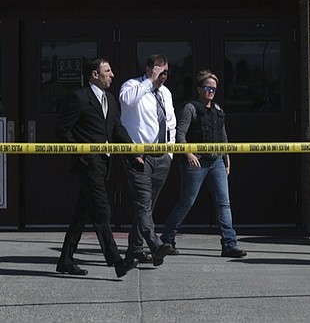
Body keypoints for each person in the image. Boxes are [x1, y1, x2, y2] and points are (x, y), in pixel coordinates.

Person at [55, 57, 139, 278]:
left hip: (104, 164)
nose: (112, 75)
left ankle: (65, 260)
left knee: (82, 214)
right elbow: (62, 130)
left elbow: (118, 131)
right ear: (95, 74)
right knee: (102, 210)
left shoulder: (110, 100)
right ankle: (116, 261)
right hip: (87, 164)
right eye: (108, 71)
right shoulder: (79, 98)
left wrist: (133, 154)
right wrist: (81, 152)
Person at [161, 70, 246, 258]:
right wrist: (189, 153)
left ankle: (229, 244)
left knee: (224, 203)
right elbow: (179, 135)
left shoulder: (218, 111)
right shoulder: (190, 108)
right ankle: (167, 239)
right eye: (207, 88)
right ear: (199, 89)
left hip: (216, 161)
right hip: (196, 162)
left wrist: (227, 158)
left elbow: (223, 138)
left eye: (214, 89)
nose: (211, 91)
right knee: (186, 203)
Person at [118, 54, 175, 265]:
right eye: (160, 71)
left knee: (148, 206)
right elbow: (126, 100)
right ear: (149, 69)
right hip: (138, 156)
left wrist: (169, 153)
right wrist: (149, 82)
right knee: (143, 203)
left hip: (162, 156)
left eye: (166, 72)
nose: (164, 76)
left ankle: (134, 249)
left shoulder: (166, 94)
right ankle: (154, 244)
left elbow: (171, 122)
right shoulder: (133, 86)